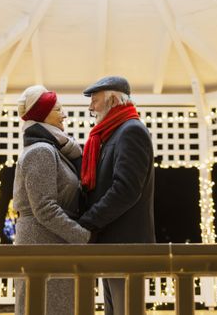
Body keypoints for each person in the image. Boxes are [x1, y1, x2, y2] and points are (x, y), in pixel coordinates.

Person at [78, 76, 155, 315]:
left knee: (124, 310)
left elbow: (126, 189)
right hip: (114, 243)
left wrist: (87, 222)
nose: (91, 107)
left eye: (95, 99)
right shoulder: (112, 134)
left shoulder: (131, 131)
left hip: (126, 245)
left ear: (112, 99)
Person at [12, 85, 91, 315]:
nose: (64, 114)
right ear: (42, 114)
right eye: (58, 109)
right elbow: (45, 209)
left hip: (52, 245)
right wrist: (84, 236)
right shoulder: (41, 152)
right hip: (42, 248)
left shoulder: (53, 149)